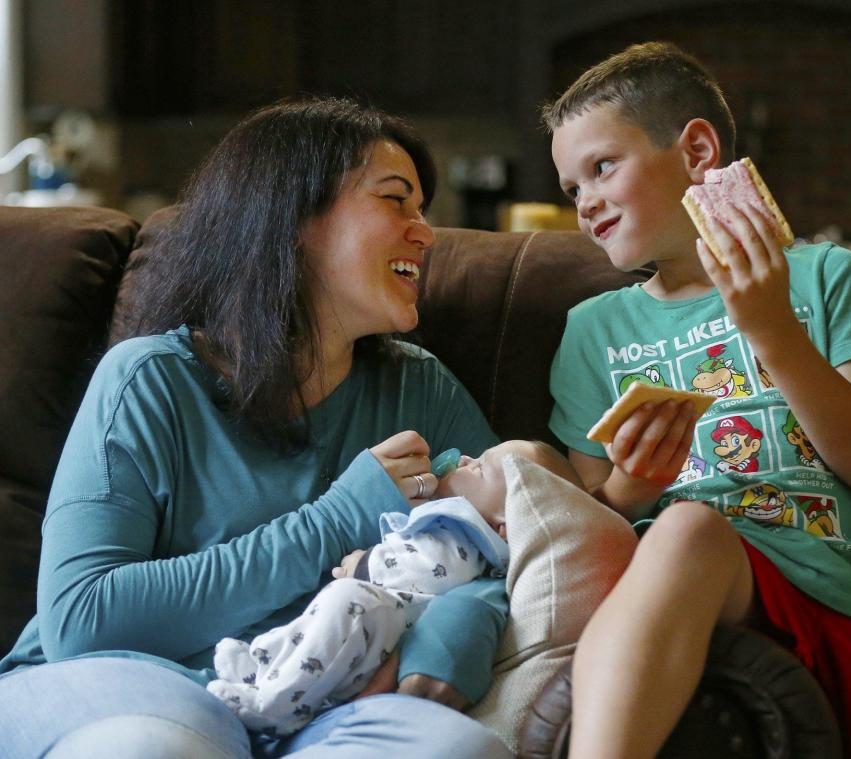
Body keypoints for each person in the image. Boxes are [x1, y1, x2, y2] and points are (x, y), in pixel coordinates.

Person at [0, 96, 514, 759]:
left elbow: (510, 540)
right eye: (396, 201)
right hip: (117, 688)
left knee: (459, 751)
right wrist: (335, 521)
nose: (426, 231)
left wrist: (447, 643)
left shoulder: (419, 387)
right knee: (168, 746)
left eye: (422, 208)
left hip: (308, 708)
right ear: (295, 218)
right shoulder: (150, 380)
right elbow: (82, 616)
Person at [544, 42, 851, 759]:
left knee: (687, 529)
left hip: (835, 583)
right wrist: (631, 487)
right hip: (683, 583)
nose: (585, 202)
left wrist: (770, 329)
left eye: (602, 167)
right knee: (686, 529)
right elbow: (588, 522)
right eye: (572, 187)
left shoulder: (823, 276)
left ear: (697, 150)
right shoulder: (591, 331)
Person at [208, 438, 582, 737]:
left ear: (505, 523)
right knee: (322, 617)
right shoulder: (451, 525)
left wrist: (363, 566)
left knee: (347, 601)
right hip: (373, 627)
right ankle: (265, 664)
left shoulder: (470, 540)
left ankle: (276, 708)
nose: (465, 459)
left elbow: (416, 573)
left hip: (387, 633)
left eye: (479, 468)